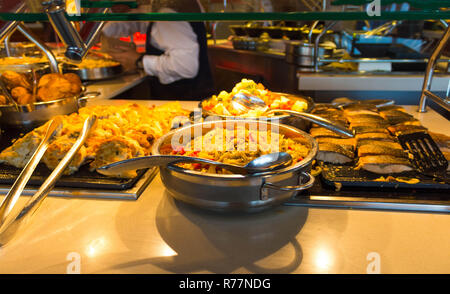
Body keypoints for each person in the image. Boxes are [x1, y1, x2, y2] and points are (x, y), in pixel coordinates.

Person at [101, 0, 214, 100]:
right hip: (197, 97)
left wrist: (139, 60)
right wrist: (102, 32)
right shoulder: (169, 5)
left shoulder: (167, 11)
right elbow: (144, 23)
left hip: (183, 102)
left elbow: (186, 66)